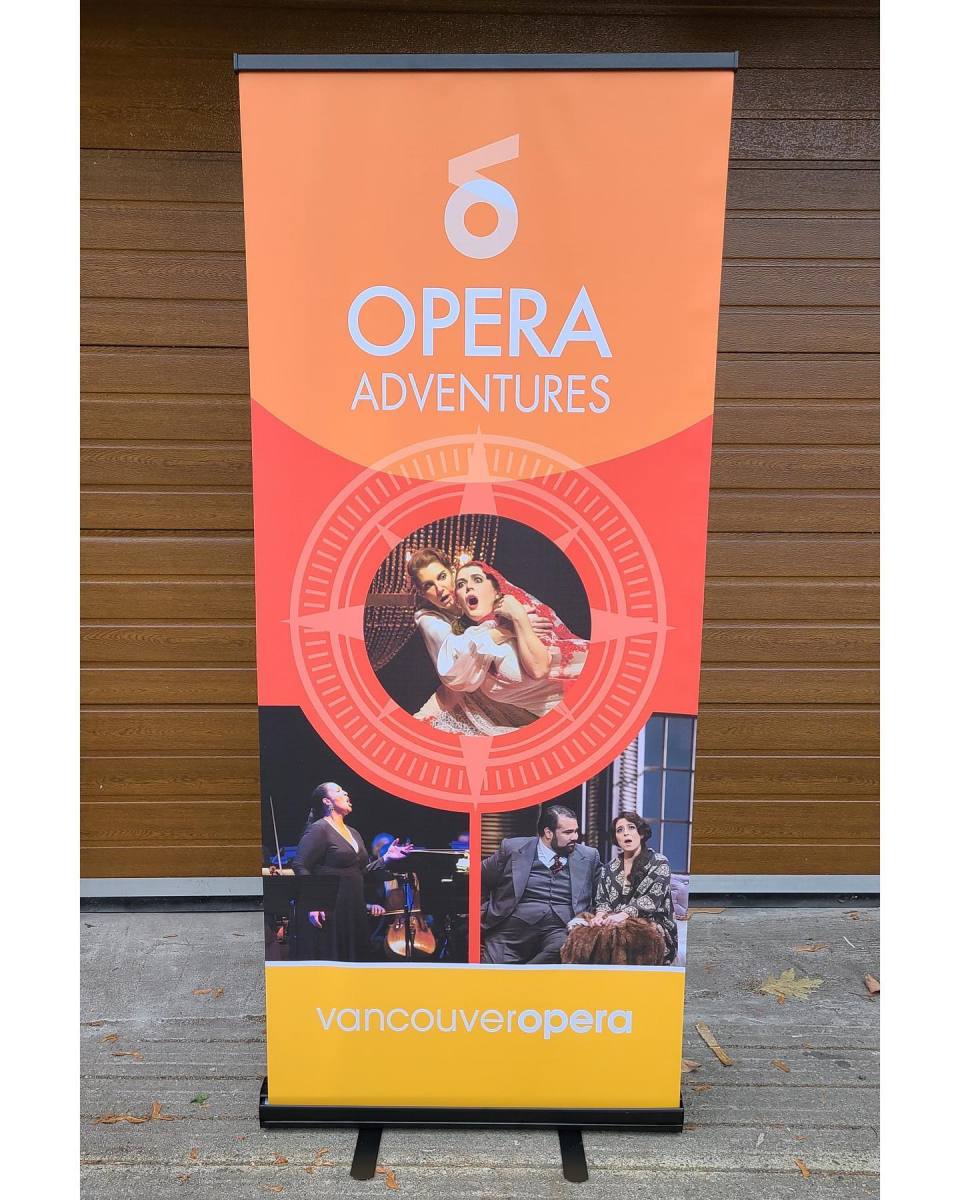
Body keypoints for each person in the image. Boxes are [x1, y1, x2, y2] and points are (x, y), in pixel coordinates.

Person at [407, 550, 588, 735]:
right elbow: (455, 666)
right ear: (423, 594)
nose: (439, 589)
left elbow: (541, 665)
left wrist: (518, 618)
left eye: (442, 577)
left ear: (452, 572)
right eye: (428, 586)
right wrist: (506, 630)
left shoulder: (508, 608)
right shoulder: (432, 620)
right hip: (468, 692)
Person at [291, 782, 412, 961]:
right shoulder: (319, 829)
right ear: (327, 801)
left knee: (356, 959)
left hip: (353, 907)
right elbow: (300, 865)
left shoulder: (354, 833)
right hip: (330, 908)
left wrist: (387, 858)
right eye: (339, 790)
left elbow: (361, 871)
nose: (346, 792)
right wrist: (314, 902)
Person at [480, 805, 601, 964]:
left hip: (562, 927)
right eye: (568, 832)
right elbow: (479, 877)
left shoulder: (589, 856)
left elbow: (603, 894)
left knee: (565, 948)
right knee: (492, 966)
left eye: (576, 831)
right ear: (548, 833)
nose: (575, 837)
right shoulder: (513, 848)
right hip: (514, 925)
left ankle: (525, 977)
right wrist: (484, 908)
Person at [562, 814, 678, 965]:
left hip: (652, 923)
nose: (625, 833)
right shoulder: (609, 868)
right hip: (614, 921)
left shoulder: (659, 862)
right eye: (620, 830)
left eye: (631, 828)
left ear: (641, 834)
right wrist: (600, 916)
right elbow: (602, 901)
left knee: (621, 935)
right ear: (616, 838)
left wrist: (622, 916)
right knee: (583, 933)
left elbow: (651, 899)